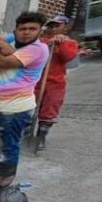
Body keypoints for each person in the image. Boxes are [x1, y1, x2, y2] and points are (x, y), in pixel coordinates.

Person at [0, 11, 50, 190]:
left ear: (40, 31)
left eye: (32, 29)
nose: (26, 32)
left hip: (15, 108)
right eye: (22, 28)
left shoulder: (38, 49)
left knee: (6, 146)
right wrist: (5, 47)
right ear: (16, 30)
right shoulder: (13, 39)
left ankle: (2, 185)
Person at [33, 14, 79, 151]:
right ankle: (24, 134)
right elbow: (34, 53)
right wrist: (49, 42)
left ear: (66, 27)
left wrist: (61, 43)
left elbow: (68, 57)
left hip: (55, 84)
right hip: (36, 82)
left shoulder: (70, 43)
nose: (53, 28)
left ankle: (41, 136)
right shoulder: (41, 40)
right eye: (52, 25)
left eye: (57, 25)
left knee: (49, 111)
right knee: (28, 109)